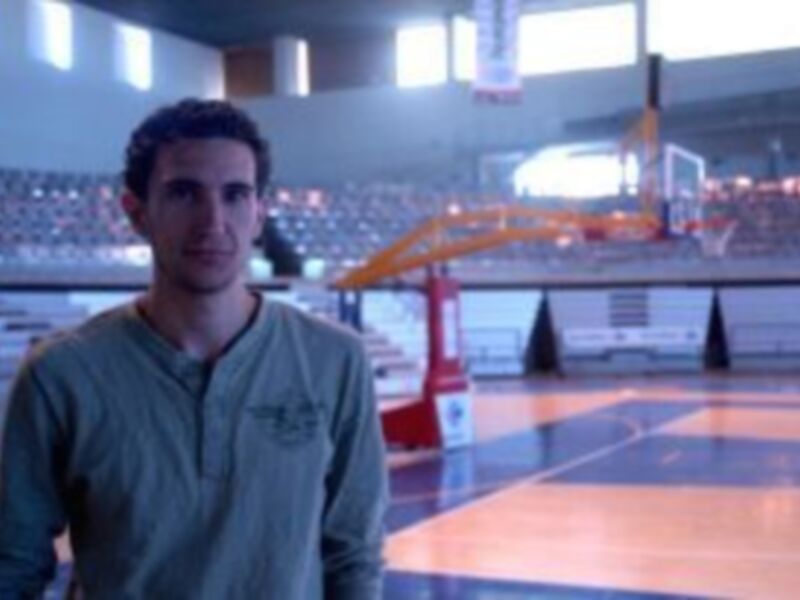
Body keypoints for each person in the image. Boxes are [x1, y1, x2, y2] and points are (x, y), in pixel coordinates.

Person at [0, 99, 388, 598]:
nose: (213, 221)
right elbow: (13, 565)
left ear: (258, 213)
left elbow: (354, 557)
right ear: (137, 213)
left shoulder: (336, 361)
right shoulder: (61, 374)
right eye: (184, 193)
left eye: (235, 195)